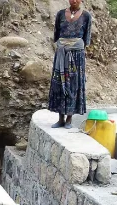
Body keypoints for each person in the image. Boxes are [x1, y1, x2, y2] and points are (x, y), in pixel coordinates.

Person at [48, 0, 92, 129]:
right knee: (59, 82)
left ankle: (69, 119)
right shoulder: (60, 14)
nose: (74, 0)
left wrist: (76, 47)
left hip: (77, 55)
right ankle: (60, 119)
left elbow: (86, 38)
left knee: (73, 84)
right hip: (61, 52)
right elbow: (56, 34)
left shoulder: (86, 16)